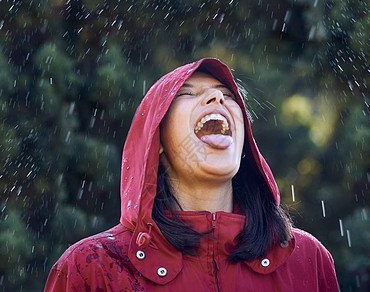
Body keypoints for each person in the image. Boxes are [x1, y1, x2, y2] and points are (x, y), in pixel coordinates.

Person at [45, 58, 339, 291]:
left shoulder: (307, 260)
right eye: (187, 93)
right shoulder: (91, 268)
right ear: (156, 141)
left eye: (227, 95)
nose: (216, 98)